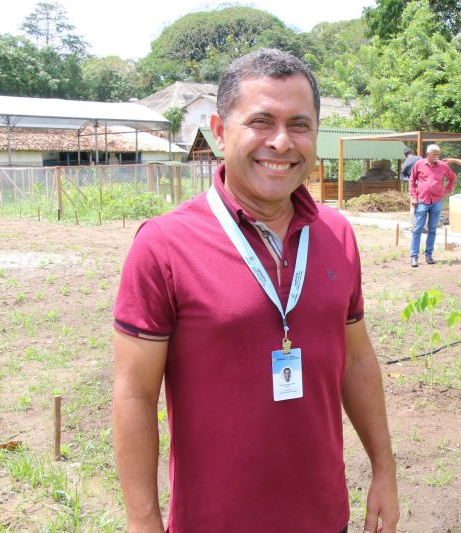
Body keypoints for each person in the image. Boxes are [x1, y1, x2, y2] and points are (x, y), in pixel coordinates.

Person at [112, 48, 398, 533]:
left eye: (300, 125)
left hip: (325, 518)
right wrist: (143, 524)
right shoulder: (163, 245)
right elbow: (135, 394)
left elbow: (356, 361)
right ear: (221, 132)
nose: (282, 142)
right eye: (261, 122)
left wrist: (384, 468)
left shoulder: (337, 235)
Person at [408, 144, 456, 267]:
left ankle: (429, 255)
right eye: (434, 154)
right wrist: (414, 196)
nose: (437, 156)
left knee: (433, 229)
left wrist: (446, 191)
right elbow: (412, 181)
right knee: (417, 229)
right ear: (428, 154)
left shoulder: (442, 165)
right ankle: (414, 256)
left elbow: (452, 178)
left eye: (438, 154)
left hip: (436, 202)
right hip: (422, 201)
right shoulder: (419, 164)